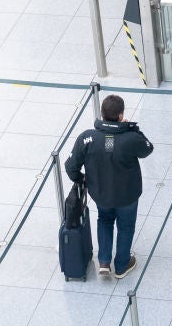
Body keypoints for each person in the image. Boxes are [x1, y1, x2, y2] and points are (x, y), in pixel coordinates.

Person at [65, 94, 153, 278]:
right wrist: (133, 128)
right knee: (126, 226)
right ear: (121, 116)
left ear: (102, 114)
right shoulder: (130, 138)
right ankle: (122, 265)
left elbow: (71, 166)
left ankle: (104, 260)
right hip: (127, 195)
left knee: (104, 221)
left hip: (101, 193)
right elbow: (148, 148)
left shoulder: (87, 138)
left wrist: (81, 179)